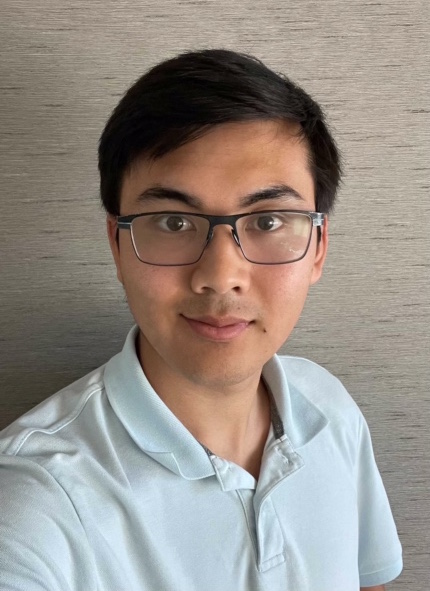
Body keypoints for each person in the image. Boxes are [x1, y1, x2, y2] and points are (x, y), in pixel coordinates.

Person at [0, 49, 402, 591]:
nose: (220, 276)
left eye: (268, 220)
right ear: (118, 246)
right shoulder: (34, 501)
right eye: (173, 221)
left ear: (318, 248)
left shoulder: (330, 408)